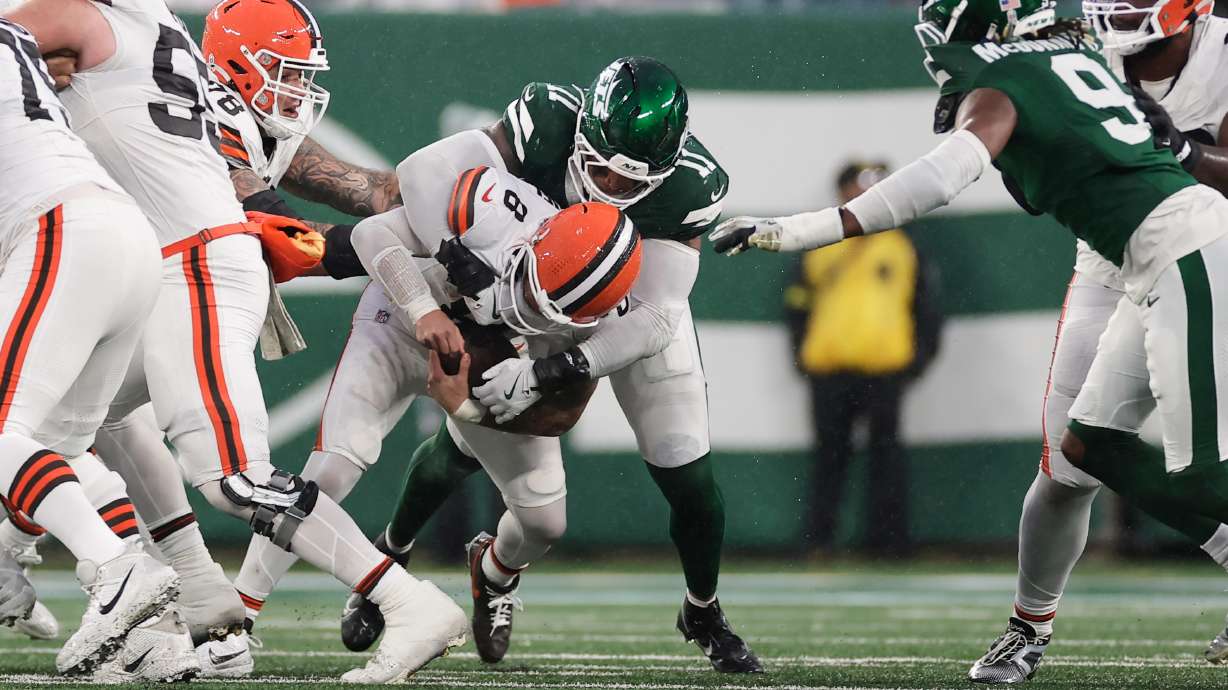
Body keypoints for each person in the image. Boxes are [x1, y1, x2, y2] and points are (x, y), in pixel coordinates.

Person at [710, 0, 1228, 684]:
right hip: (1137, 252)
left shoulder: (1013, 75)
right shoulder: (1072, 57)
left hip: (1190, 248)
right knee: (1083, 448)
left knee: (1200, 472)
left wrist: (796, 229)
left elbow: (934, 182)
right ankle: (1028, 628)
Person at [3, 0, 469, 683]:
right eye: (282, 72)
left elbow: (23, 39)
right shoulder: (162, 35)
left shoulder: (92, 24)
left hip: (190, 262)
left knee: (233, 477)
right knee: (101, 420)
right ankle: (189, 611)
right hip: (170, 261)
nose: (296, 90)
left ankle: (405, 601)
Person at [310, 56, 761, 674]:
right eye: (600, 169)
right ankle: (393, 551)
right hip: (518, 287)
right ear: (583, 139)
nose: (611, 188)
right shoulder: (547, 120)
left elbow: (654, 320)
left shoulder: (689, 186)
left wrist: (557, 369)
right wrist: (460, 261)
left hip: (621, 314)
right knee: (470, 437)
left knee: (686, 466)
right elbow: (423, 175)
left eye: (631, 185)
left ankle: (701, 608)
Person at [0, 15, 184, 678]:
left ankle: (113, 568)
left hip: (62, 230)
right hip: (119, 236)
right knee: (54, 451)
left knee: (3, 431)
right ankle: (154, 637)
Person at [784, 160, 941, 555]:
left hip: (884, 369)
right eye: (856, 190)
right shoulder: (821, 243)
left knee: (886, 455)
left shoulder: (904, 247)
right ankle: (820, 540)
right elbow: (797, 303)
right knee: (829, 456)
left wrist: (917, 360)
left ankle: (887, 543)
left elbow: (926, 309)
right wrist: (803, 353)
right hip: (830, 368)